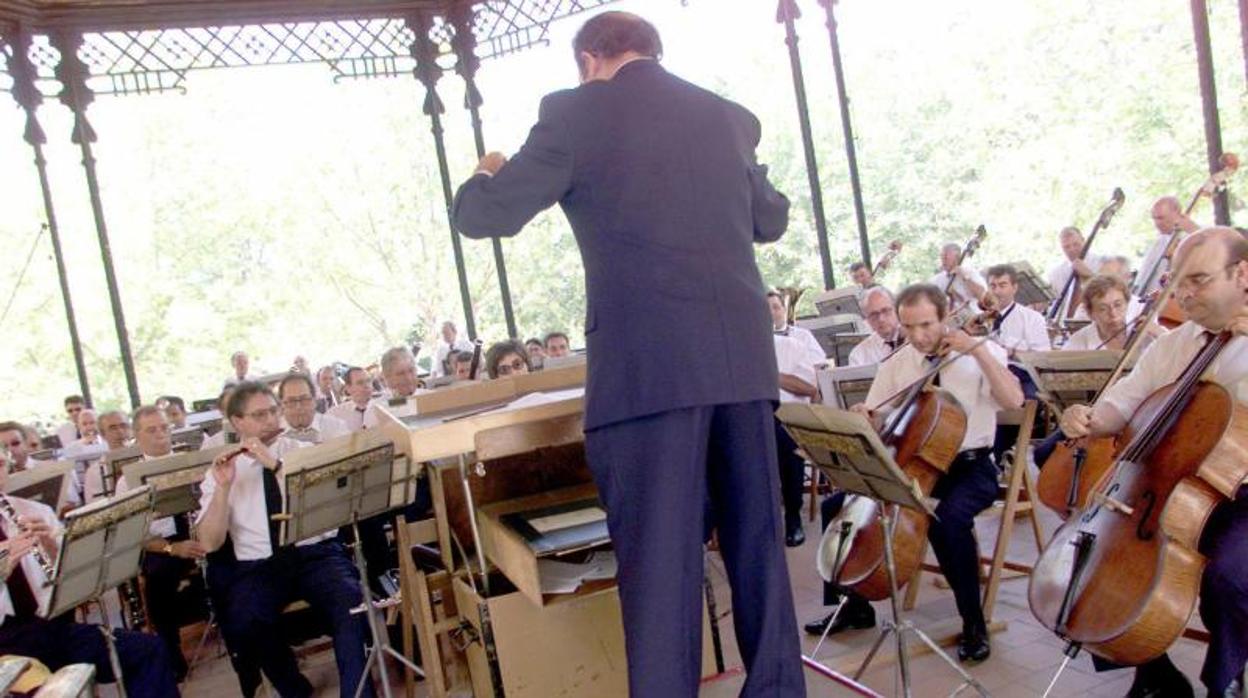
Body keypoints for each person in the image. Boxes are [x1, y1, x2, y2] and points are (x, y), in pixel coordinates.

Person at [451, 12, 803, 696]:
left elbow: (485, 217)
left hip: (649, 374)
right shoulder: (728, 116)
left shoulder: (571, 115)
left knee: (661, 566)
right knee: (757, 547)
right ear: (654, 52)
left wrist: (482, 172)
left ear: (588, 60)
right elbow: (772, 219)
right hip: (739, 364)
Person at [1059, 227, 1248, 698]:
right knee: (1097, 564)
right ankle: (1155, 675)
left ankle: (1221, 681)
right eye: (1178, 280)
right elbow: (1123, 404)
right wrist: (1088, 416)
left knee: (1228, 579)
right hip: (1171, 489)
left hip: (1243, 496)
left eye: (1199, 279)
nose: (1184, 293)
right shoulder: (1172, 345)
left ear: (1242, 274)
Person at [849, 284, 1022, 662]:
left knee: (948, 519)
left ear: (946, 318)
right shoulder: (898, 363)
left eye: (926, 325)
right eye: (908, 327)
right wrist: (869, 415)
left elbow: (1014, 401)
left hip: (972, 466)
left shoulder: (983, 352)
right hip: (916, 464)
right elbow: (879, 416)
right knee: (843, 504)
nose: (917, 336)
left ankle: (973, 622)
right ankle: (855, 604)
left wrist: (976, 350)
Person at [196, 382, 373, 698]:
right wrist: (222, 489)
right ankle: (295, 689)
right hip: (259, 565)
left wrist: (274, 465)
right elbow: (209, 543)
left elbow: (329, 502)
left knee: (350, 601)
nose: (270, 421)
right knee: (245, 618)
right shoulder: (220, 471)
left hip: (313, 553)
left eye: (273, 411)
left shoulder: (299, 451)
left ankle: (357, 693)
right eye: (259, 415)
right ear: (238, 423)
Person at [0, 439, 180, 696]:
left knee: (147, 650)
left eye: (0, 465)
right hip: (4, 645)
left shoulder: (32, 510)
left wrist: (51, 546)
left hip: (48, 627)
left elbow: (68, 579)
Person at [116, 405, 206, 682]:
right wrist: (172, 548)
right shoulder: (127, 481)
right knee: (157, 578)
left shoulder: (191, 462)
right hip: (161, 545)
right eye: (151, 430)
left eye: (164, 428)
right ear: (137, 436)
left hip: (200, 533)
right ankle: (170, 650)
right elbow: (132, 536)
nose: (160, 435)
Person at [767, 290, 825, 546]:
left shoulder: (794, 344)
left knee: (784, 437)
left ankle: (793, 516)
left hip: (789, 417)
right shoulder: (738, 347)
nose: (770, 313)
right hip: (757, 417)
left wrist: (769, 375)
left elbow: (812, 388)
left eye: (775, 308)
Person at [1134, 195, 1199, 297]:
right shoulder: (1159, 242)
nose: (1157, 223)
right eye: (1154, 218)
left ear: (1177, 213)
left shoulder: (1193, 238)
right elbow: (1143, 277)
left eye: (1161, 218)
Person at [1047, 226, 1104, 321]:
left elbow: (1110, 291)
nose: (1072, 250)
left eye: (1076, 244)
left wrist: (1089, 275)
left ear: (1083, 241)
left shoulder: (1102, 263)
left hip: (1094, 324)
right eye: (1066, 247)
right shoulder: (1056, 273)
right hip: (1063, 329)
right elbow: (1051, 302)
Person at [278, 373, 349, 444]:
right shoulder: (274, 437)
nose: (298, 406)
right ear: (281, 405)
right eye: (291, 401)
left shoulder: (336, 428)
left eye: (304, 399)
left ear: (314, 401)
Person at [847, 287, 903, 367]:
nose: (881, 319)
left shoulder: (914, 341)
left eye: (885, 310)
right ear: (867, 319)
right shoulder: (859, 355)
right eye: (874, 314)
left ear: (896, 309)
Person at [929, 242, 987, 314]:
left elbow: (982, 295)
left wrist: (964, 277)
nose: (943, 260)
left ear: (957, 258)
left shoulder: (969, 272)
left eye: (946, 257)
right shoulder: (936, 280)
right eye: (942, 257)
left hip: (973, 316)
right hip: (950, 320)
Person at [327, 367, 373, 433]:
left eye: (368, 381)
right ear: (348, 388)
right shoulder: (336, 414)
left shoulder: (384, 403)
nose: (367, 386)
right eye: (360, 383)